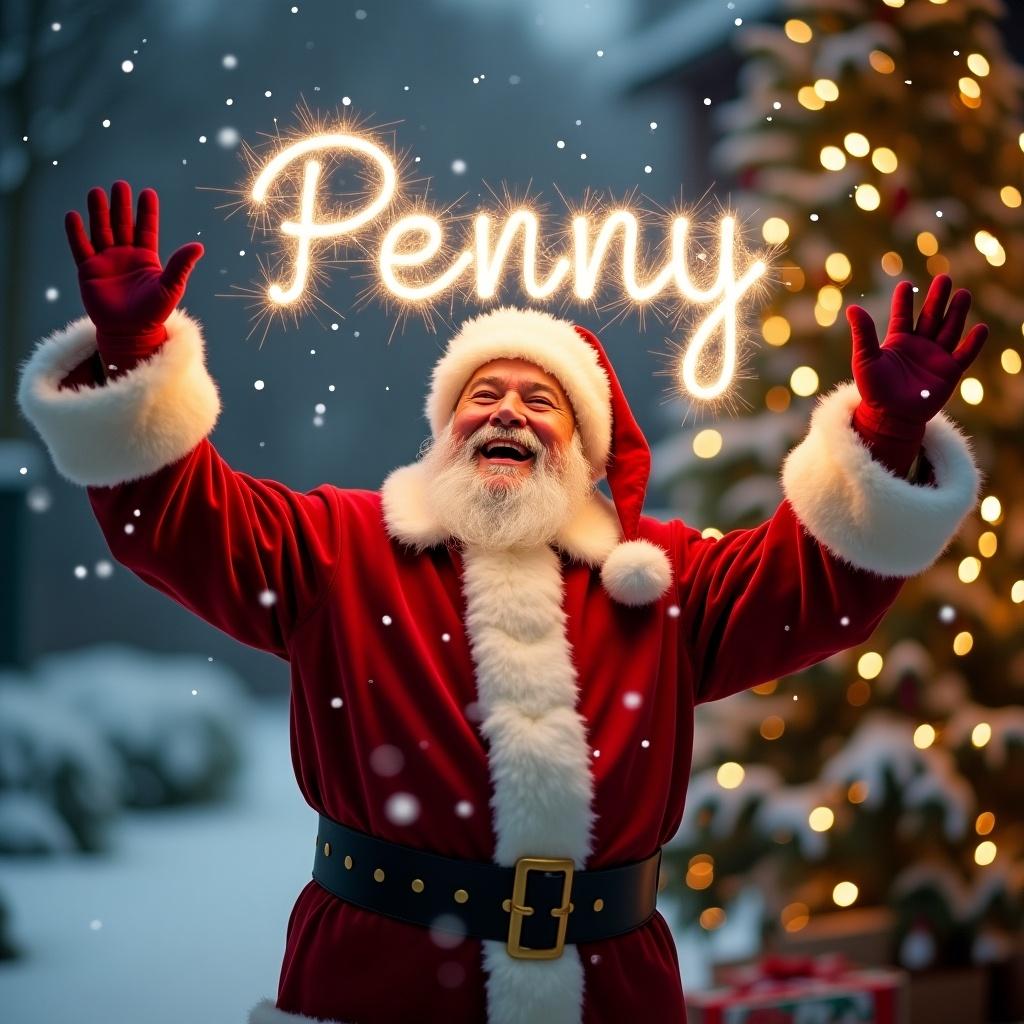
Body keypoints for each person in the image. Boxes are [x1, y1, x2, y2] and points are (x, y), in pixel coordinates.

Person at [17, 182, 986, 1024]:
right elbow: (177, 521)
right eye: (484, 392)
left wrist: (885, 435)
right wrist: (134, 355)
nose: (508, 410)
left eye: (541, 397)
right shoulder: (340, 546)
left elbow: (818, 587)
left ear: (584, 448)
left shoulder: (659, 576)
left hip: (609, 987)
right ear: (446, 430)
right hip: (382, 978)